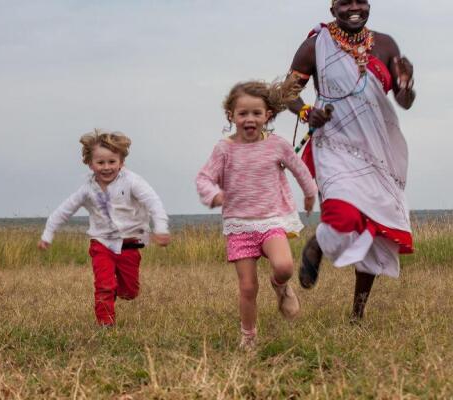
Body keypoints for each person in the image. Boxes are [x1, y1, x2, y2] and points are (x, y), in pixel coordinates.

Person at [287, 0, 415, 321]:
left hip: (377, 149)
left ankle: (357, 314)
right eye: (345, 2)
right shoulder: (315, 46)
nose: (354, 8)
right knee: (344, 214)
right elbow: (286, 92)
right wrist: (305, 111)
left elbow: (404, 101)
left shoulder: (385, 44)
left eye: (361, 1)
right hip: (334, 146)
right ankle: (318, 244)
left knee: (372, 229)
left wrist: (405, 84)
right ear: (333, 9)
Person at [196, 79, 317, 349]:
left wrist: (310, 193)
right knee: (248, 287)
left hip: (271, 220)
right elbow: (204, 178)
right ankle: (248, 337)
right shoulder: (224, 149)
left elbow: (299, 168)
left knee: (284, 266)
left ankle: (281, 286)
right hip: (239, 226)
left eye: (256, 113)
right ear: (232, 116)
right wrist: (213, 194)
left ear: (267, 116)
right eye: (243, 114)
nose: (249, 119)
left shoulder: (277, 145)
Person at [38, 130, 171, 327]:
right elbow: (63, 211)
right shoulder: (87, 190)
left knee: (129, 292)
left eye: (112, 162)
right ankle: (105, 323)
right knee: (104, 284)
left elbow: (153, 203)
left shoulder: (133, 181)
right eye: (100, 163)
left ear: (121, 162)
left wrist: (160, 228)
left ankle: (117, 291)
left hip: (130, 244)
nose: (106, 167)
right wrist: (47, 234)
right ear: (90, 164)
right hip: (101, 243)